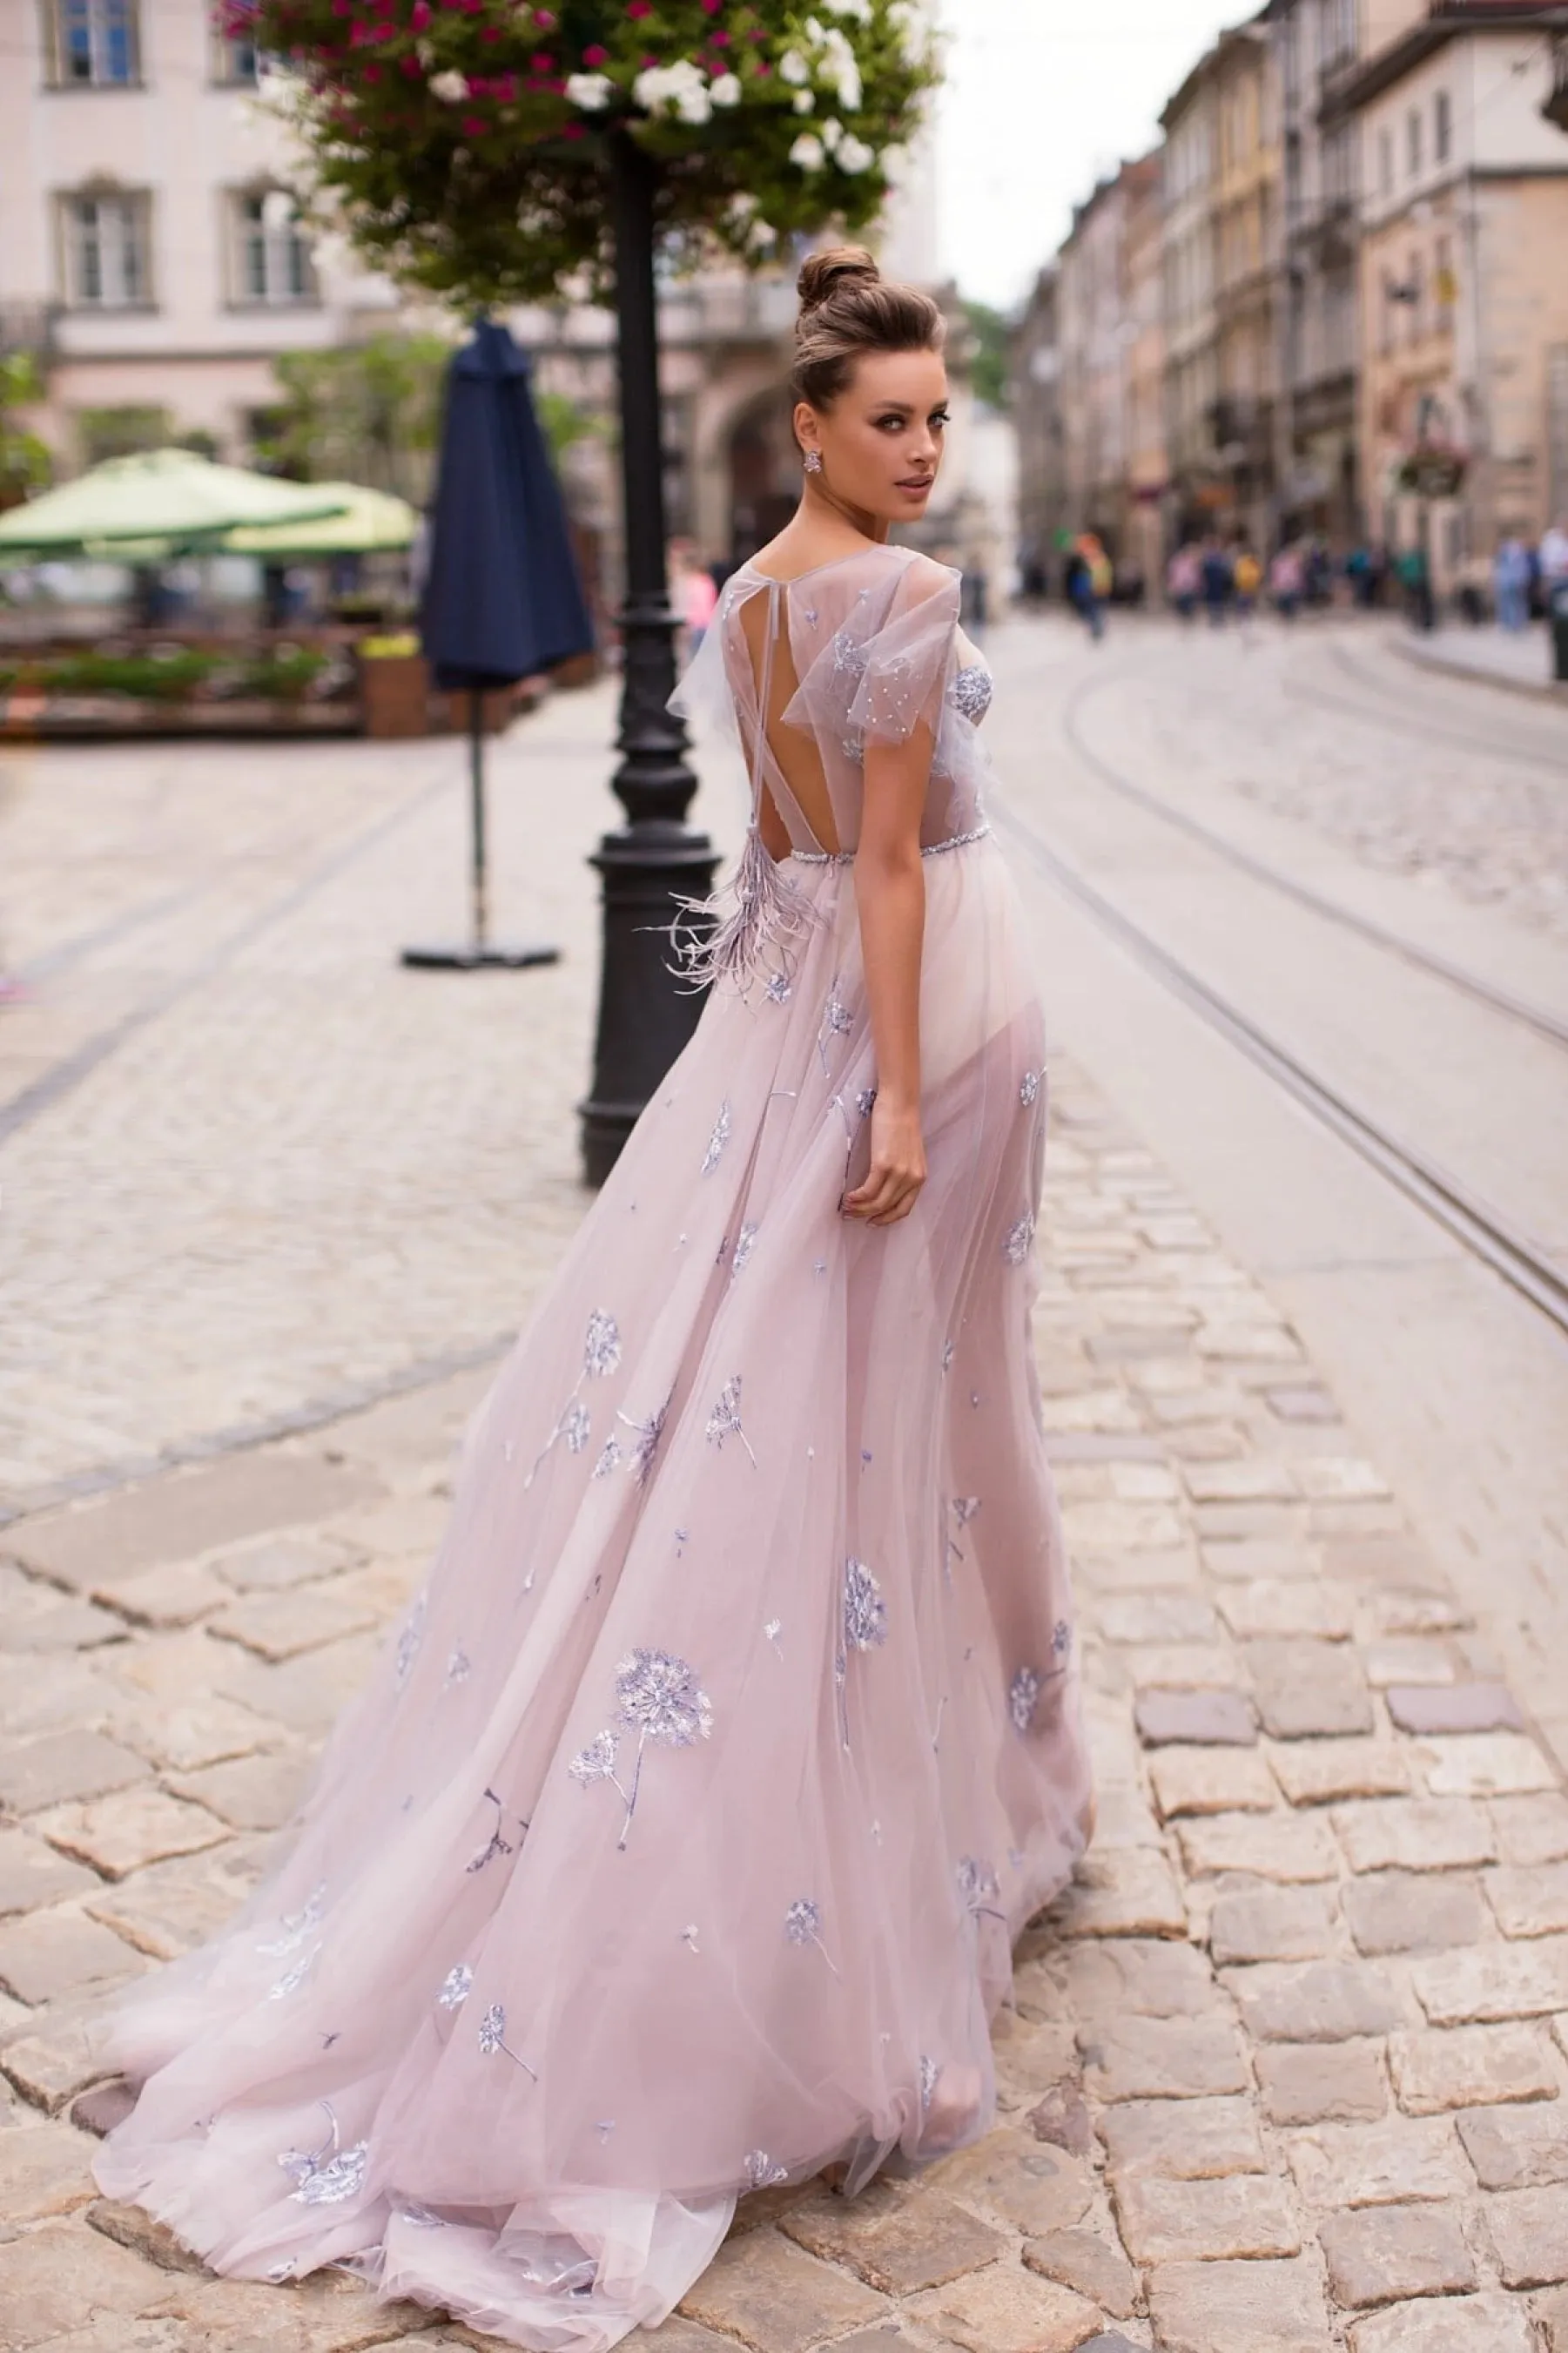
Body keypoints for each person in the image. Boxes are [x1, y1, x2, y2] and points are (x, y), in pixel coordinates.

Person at [93, 246, 1093, 2353]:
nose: (921, 451)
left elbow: (776, 852)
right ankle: (881, 1854)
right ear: (808, 425)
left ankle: (931, 1797)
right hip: (897, 1023)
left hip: (777, 1013)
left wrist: (819, 1056)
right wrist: (898, 1093)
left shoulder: (745, 595)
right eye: (889, 420)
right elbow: (887, 866)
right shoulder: (897, 602)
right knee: (888, 1434)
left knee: (787, 1422)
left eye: (936, 418)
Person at [1493, 534, 1531, 634]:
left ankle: (1519, 623)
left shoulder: (1519, 555)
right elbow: (1498, 571)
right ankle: (1507, 624)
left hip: (1516, 582)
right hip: (1505, 583)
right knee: (1506, 604)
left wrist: (1523, 581)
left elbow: (1523, 569)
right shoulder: (1502, 557)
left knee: (1518, 603)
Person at [1201, 535, 1233, 626]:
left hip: (1219, 584)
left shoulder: (1221, 557)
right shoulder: (1208, 557)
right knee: (1212, 601)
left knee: (1219, 601)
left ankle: (1218, 617)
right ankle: (1213, 618)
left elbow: (1227, 571)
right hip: (1211, 583)